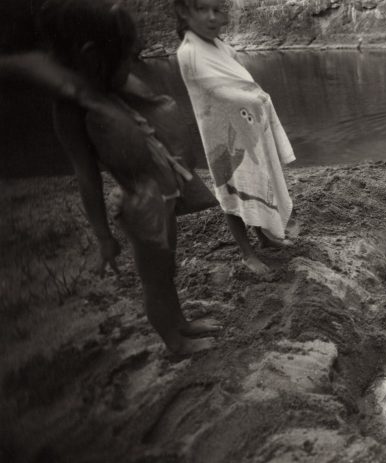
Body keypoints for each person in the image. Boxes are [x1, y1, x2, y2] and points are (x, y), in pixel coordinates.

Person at [36, 0, 220, 355]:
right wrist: (104, 237)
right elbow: (87, 178)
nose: (133, 64)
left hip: (164, 192)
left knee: (167, 270)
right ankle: (174, 341)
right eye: (127, 57)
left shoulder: (113, 84)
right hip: (141, 206)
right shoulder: (71, 109)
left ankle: (180, 322)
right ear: (92, 58)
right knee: (154, 280)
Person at [175, 0, 296, 278]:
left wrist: (256, 96)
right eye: (202, 10)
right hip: (222, 138)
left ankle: (264, 236)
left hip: (246, 129)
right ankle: (247, 254)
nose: (211, 17)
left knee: (257, 181)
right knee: (232, 193)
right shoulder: (189, 52)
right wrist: (257, 98)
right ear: (184, 12)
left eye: (217, 10)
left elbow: (244, 79)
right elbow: (221, 91)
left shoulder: (220, 46)